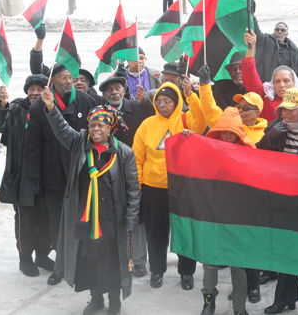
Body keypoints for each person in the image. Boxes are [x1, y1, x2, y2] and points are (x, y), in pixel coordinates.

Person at [42, 97, 139, 315]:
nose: (95, 129)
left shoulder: (124, 152)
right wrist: (51, 107)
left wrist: (131, 219)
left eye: (101, 125)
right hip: (85, 218)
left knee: (112, 261)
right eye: (92, 124)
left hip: (113, 218)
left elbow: (133, 190)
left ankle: (114, 301)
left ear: (110, 128)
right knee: (89, 261)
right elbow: (61, 129)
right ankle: (96, 299)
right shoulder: (79, 143)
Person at [24, 63, 96, 285]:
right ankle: (61, 265)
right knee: (57, 221)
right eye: (63, 77)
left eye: (71, 77)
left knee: (85, 219)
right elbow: (32, 145)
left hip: (83, 172)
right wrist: (34, 176)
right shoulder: (38, 108)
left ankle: (84, 261)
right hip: (53, 174)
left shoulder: (86, 101)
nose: (69, 81)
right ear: (52, 80)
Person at [133, 82, 206, 290]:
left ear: (177, 103)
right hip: (153, 189)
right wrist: (138, 185)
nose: (162, 105)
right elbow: (137, 157)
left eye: (167, 101)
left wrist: (191, 96)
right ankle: (157, 270)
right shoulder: (147, 124)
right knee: (155, 232)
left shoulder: (186, 120)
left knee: (184, 231)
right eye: (159, 101)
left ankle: (187, 272)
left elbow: (201, 120)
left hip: (183, 188)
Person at [182, 106, 255, 315]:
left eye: (232, 132)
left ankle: (240, 308)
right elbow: (191, 157)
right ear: (218, 131)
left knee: (238, 266)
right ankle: (208, 302)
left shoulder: (250, 152)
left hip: (238, 218)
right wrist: (188, 138)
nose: (228, 136)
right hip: (213, 215)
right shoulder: (208, 149)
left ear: (239, 132)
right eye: (224, 131)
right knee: (210, 262)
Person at [257, 88, 298, 314]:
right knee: (284, 252)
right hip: (281, 199)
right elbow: (259, 156)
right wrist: (272, 138)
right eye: (284, 109)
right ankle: (284, 298)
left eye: (291, 110)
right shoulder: (274, 128)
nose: (286, 114)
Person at [0, 74, 54, 277]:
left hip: (48, 175)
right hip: (23, 176)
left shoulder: (51, 108)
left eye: (40, 88)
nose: (35, 93)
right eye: (31, 88)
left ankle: (43, 255)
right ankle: (25, 258)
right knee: (25, 220)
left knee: (47, 218)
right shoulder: (17, 108)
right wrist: (2, 104)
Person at [99, 69, 151, 278]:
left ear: (124, 90)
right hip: (107, 172)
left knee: (136, 216)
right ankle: (116, 258)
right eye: (109, 89)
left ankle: (138, 261)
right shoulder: (99, 112)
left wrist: (146, 102)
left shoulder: (138, 108)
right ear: (104, 94)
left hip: (134, 171)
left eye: (117, 88)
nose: (114, 92)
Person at [29, 24, 108, 105]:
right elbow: (36, 67)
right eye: (74, 80)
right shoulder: (54, 89)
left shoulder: (92, 99)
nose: (78, 83)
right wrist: (40, 39)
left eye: (83, 80)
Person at [197, 64, 267, 144]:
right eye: (238, 107)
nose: (240, 110)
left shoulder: (266, 134)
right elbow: (210, 109)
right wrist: (204, 84)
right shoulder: (227, 123)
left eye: (245, 108)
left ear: (256, 113)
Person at [242, 31, 298, 123]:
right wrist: (251, 48)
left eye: (286, 81)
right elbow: (250, 79)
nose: (281, 85)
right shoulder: (266, 97)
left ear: (293, 83)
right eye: (277, 81)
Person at [253, 18, 298, 87]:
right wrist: (253, 18)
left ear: (287, 34)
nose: (279, 32)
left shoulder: (295, 52)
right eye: (277, 29)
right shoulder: (266, 42)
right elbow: (256, 32)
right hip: (267, 86)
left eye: (283, 30)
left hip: (285, 88)